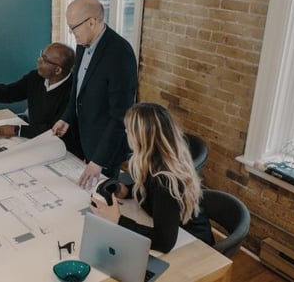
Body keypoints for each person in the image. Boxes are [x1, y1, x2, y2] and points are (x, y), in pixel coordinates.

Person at [90, 102, 214, 253]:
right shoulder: (152, 160)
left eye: (128, 130)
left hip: (194, 246)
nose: (126, 132)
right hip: (176, 232)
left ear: (141, 137)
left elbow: (164, 242)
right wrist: (126, 191)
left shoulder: (165, 180)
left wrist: (117, 220)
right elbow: (151, 194)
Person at [52, 0, 138, 189]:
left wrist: (99, 160)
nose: (71, 31)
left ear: (91, 22)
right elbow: (78, 87)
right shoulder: (83, 42)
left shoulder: (120, 53)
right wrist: (67, 117)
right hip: (85, 139)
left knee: (101, 200)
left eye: (73, 26)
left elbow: (121, 116)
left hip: (106, 150)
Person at [0, 42, 82, 158]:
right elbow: (8, 93)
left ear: (58, 70)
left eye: (44, 59)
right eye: (41, 55)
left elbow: (53, 130)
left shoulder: (73, 92)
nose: (39, 60)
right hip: (35, 142)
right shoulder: (36, 77)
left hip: (63, 150)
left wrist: (15, 130)